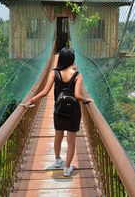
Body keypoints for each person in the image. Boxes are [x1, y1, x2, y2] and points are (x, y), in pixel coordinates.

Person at [20, 47, 94, 177]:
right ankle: (66, 168)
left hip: (59, 111)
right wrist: (87, 99)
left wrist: (29, 101)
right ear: (72, 59)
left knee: (58, 137)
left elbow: (44, 92)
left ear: (60, 58)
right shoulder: (77, 75)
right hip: (73, 113)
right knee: (71, 141)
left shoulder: (54, 73)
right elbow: (77, 95)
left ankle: (57, 160)